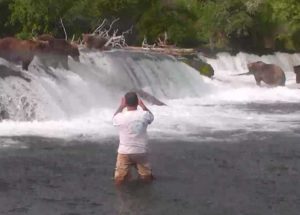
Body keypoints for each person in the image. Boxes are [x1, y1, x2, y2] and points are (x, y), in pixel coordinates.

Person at [113, 91, 154, 185]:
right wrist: (143, 106)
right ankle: (146, 193)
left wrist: (121, 106)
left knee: (119, 178)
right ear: (137, 102)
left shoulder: (120, 117)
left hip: (124, 151)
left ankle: (120, 195)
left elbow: (114, 119)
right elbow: (151, 117)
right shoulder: (144, 115)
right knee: (146, 175)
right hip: (140, 151)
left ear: (125, 103)